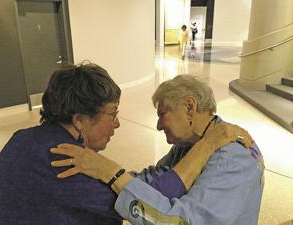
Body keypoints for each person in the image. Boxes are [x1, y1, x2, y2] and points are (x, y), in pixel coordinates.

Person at [0, 64, 251, 225]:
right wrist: (206, 146)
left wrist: (110, 171)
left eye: (162, 114)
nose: (117, 124)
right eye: (113, 113)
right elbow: (149, 203)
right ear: (80, 119)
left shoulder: (22, 138)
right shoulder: (66, 161)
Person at [50, 75, 264, 225]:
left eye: (163, 114)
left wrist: (110, 172)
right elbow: (157, 182)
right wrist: (97, 175)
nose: (159, 125)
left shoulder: (231, 160)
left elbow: (181, 221)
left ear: (190, 107)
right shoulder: (191, 144)